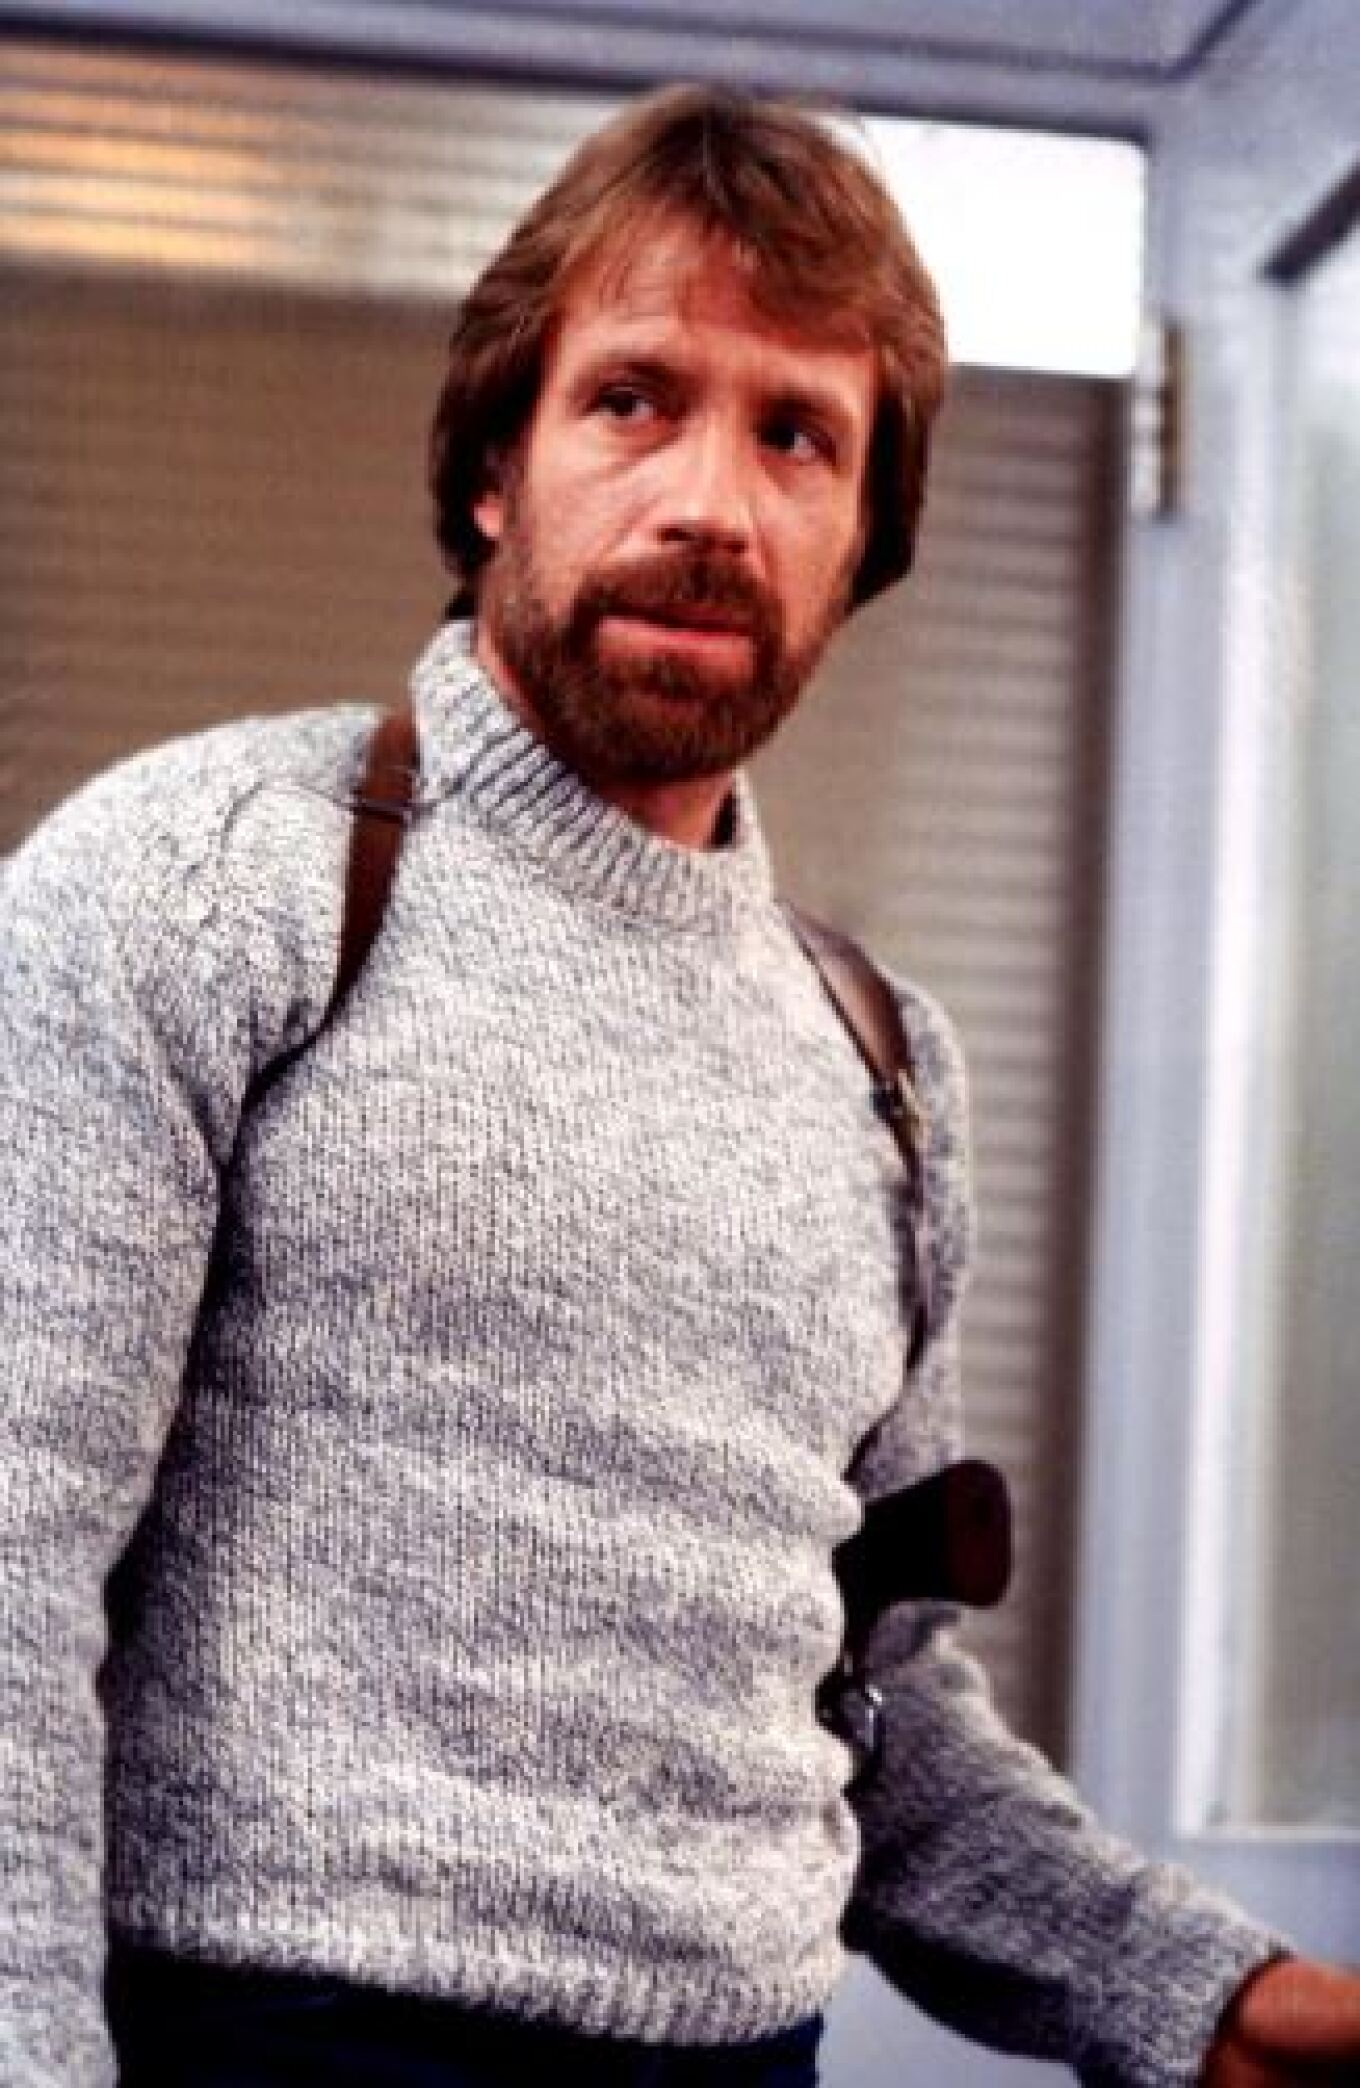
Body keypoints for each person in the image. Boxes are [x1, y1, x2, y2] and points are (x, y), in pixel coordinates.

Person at [0, 83, 1355, 2088]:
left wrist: (1211, 1995)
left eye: (797, 434)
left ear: (861, 536)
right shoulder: (204, 879)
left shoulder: (880, 1061)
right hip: (276, 2041)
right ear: (496, 466)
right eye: (633, 399)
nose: (712, 502)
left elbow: (873, 1713)